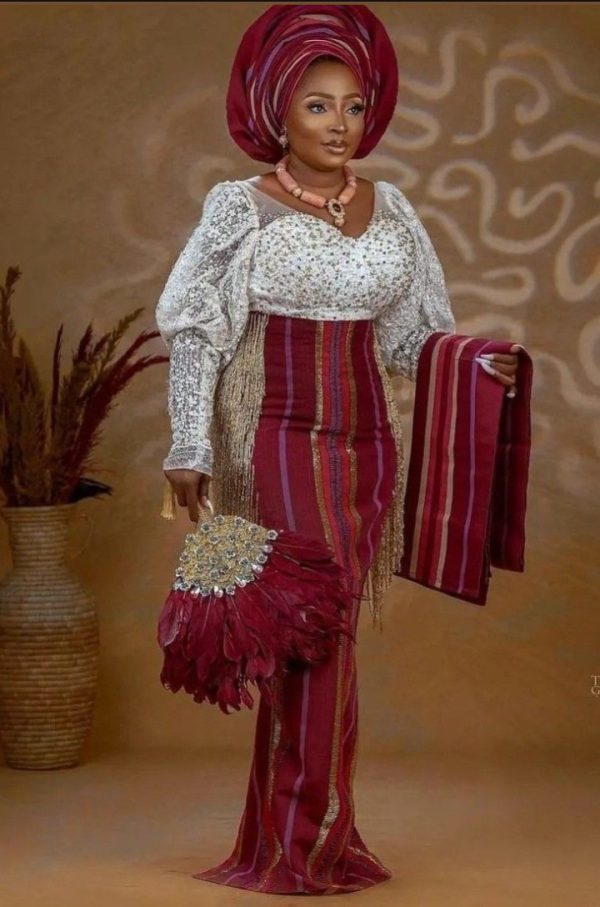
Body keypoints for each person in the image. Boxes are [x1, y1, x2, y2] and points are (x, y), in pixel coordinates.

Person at [155, 3, 520, 895]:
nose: (339, 125)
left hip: (366, 444)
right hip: (274, 431)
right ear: (277, 110)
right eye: (318, 105)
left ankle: (307, 835)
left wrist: (478, 359)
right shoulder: (238, 206)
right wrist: (188, 443)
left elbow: (410, 340)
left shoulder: (391, 208)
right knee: (311, 629)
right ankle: (298, 843)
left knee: (334, 635)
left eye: (354, 106)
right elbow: (197, 331)